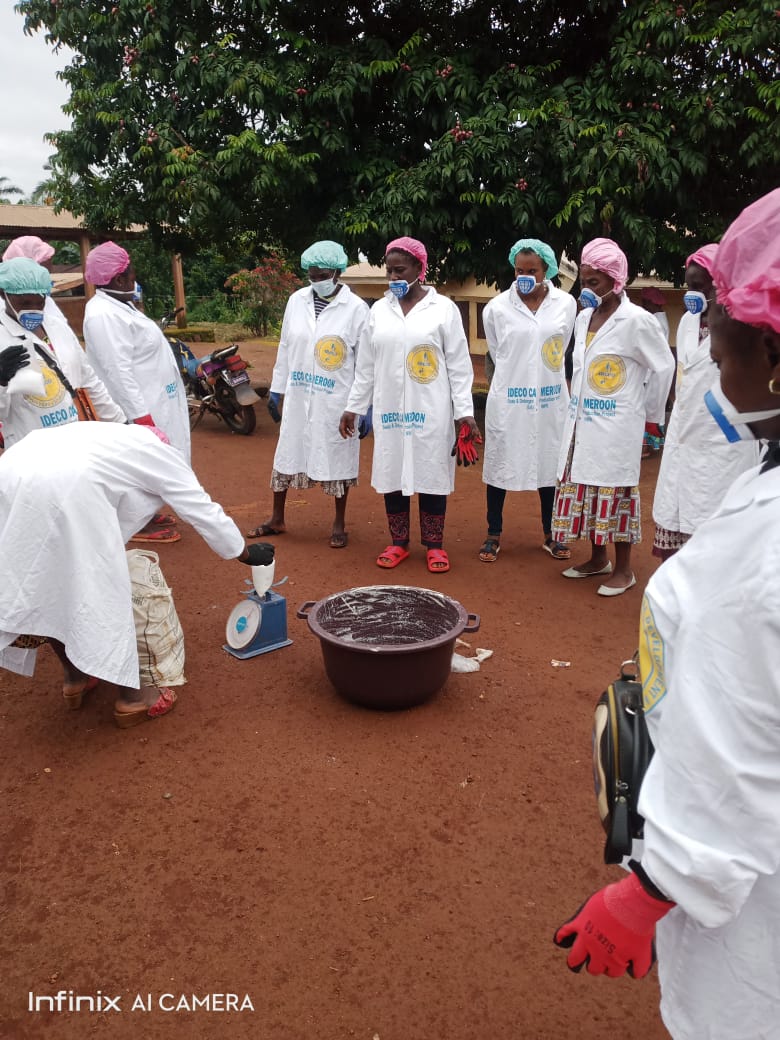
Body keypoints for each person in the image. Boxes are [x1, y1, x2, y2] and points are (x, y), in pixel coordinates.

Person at [553, 187, 780, 1040]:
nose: (709, 343)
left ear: (773, 352)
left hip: (754, 927)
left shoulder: (762, 559)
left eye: (722, 332)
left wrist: (652, 891)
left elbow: (743, 750)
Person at [0, 420, 274, 728]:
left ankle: (75, 677)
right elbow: (200, 508)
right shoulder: (158, 453)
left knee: (48, 583)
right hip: (65, 489)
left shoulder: (109, 438)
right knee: (102, 588)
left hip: (13, 470)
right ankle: (135, 697)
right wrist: (244, 553)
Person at [339, 236, 480, 573]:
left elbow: (459, 366)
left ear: (420, 268)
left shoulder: (442, 309)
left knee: (431, 472)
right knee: (392, 471)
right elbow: (366, 367)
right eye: (389, 271)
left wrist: (464, 413)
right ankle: (398, 542)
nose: (393, 277)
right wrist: (353, 407)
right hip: (390, 410)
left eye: (400, 270)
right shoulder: (379, 311)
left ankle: (435, 546)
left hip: (431, 411)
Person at [550, 238, 674, 595]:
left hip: (617, 425)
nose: (587, 288)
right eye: (584, 280)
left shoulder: (637, 321)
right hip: (580, 422)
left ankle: (624, 569)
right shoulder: (583, 317)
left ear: (616, 280)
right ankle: (597, 559)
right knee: (588, 488)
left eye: (595, 282)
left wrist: (650, 415)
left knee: (614, 492)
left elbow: (664, 367)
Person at [245, 241, 369, 549]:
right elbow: (286, 346)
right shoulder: (296, 301)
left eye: (322, 275)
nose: (317, 281)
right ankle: (277, 518)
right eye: (312, 276)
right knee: (288, 449)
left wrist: (361, 406)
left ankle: (339, 524)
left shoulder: (357, 309)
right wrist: (277, 390)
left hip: (336, 398)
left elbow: (366, 363)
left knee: (338, 454)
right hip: (300, 393)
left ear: (338, 272)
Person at [652, 244, 759, 559]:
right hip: (684, 433)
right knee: (677, 521)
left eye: (700, 287)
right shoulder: (688, 322)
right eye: (689, 286)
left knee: (717, 532)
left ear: (722, 284)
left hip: (723, 442)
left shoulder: (744, 324)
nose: (692, 294)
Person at [83, 241, 191, 543]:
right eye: (132, 275)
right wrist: (140, 416)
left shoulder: (120, 305)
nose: (135, 280)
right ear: (119, 279)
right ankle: (136, 523)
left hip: (156, 399)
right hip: (138, 406)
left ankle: (148, 511)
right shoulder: (103, 315)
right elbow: (117, 372)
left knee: (155, 462)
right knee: (139, 463)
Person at [479, 238, 576, 563]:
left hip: (550, 400)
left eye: (532, 271)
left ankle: (552, 534)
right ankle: (493, 534)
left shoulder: (565, 304)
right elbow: (498, 352)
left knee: (548, 464)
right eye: (519, 270)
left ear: (546, 270)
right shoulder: (496, 308)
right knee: (500, 464)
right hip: (510, 400)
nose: (524, 277)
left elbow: (560, 349)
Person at [0, 257, 124, 449]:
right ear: (4, 294)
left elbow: (89, 380)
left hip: (77, 441)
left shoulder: (57, 327)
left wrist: (120, 423)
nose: (33, 309)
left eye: (39, 303)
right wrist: (0, 380)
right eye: (25, 302)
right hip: (32, 450)